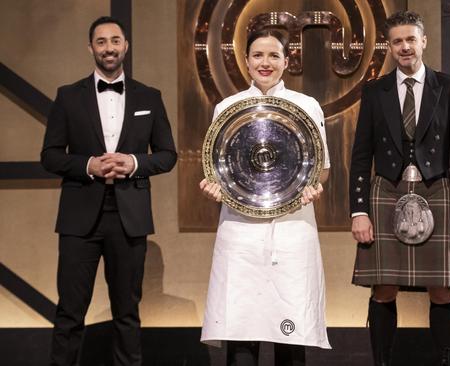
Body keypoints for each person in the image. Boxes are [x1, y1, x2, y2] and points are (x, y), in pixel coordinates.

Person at [41, 16, 177, 366]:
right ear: (91, 48)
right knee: (70, 313)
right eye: (101, 42)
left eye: (115, 41)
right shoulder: (68, 96)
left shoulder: (150, 96)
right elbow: (50, 155)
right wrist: (89, 165)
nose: (109, 48)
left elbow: (167, 155)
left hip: (129, 218)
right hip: (78, 220)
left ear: (125, 46)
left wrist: (133, 162)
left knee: (127, 314)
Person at [349, 10, 450, 366]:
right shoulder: (375, 91)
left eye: (410, 40)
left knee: (441, 288)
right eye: (397, 42)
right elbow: (360, 155)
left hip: (436, 191)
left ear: (423, 41)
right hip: (386, 192)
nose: (404, 47)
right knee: (384, 287)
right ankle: (382, 362)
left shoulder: (448, 87)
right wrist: (358, 210)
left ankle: (446, 362)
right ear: (389, 47)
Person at [198, 29, 331, 366]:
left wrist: (314, 186)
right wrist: (215, 187)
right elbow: (220, 168)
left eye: (274, 55)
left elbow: (322, 167)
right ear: (246, 62)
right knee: (241, 336)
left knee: (290, 335)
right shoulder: (227, 108)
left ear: (287, 62)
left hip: (292, 229)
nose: (265, 62)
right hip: (239, 234)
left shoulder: (307, 106)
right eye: (258, 55)